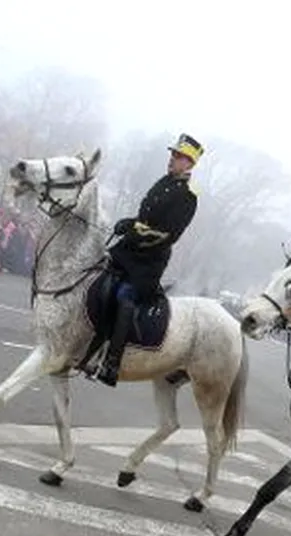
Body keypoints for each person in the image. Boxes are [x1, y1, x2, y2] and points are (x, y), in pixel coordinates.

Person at [93, 133, 202, 387]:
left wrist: (134, 232)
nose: (172, 159)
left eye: (178, 156)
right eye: (172, 154)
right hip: (130, 249)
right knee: (99, 279)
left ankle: (112, 363)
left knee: (125, 297)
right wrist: (128, 223)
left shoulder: (188, 195)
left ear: (190, 163)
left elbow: (166, 233)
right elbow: (146, 219)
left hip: (149, 259)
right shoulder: (163, 182)